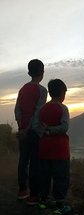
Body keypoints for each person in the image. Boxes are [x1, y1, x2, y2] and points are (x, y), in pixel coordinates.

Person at [36, 79, 71, 215]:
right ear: (62, 93)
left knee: (45, 175)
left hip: (44, 149)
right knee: (61, 177)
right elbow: (64, 127)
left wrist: (46, 131)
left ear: (50, 92)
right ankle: (60, 206)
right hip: (60, 151)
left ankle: (43, 201)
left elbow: (38, 127)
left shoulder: (42, 109)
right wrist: (51, 130)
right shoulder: (63, 108)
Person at [14, 59, 47, 204]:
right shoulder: (42, 90)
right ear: (42, 73)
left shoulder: (22, 89)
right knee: (35, 162)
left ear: (29, 73)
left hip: (23, 131)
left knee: (23, 160)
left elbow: (17, 110)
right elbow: (37, 112)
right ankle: (34, 195)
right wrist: (27, 129)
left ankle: (22, 190)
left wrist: (21, 127)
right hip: (33, 132)